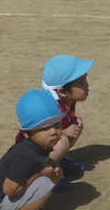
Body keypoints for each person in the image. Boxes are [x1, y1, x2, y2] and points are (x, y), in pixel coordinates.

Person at [0, 90, 65, 210]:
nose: (53, 132)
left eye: (56, 123)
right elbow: (9, 190)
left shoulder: (39, 144)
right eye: (44, 128)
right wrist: (39, 173)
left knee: (55, 172)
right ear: (26, 133)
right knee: (45, 182)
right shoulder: (25, 156)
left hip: (9, 197)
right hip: (1, 202)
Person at [40, 55, 94, 188]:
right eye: (81, 83)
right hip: (35, 153)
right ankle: (45, 175)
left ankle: (58, 161)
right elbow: (38, 133)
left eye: (85, 79)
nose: (87, 85)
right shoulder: (51, 107)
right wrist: (64, 131)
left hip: (46, 146)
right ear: (63, 91)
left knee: (75, 124)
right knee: (62, 141)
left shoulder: (67, 100)